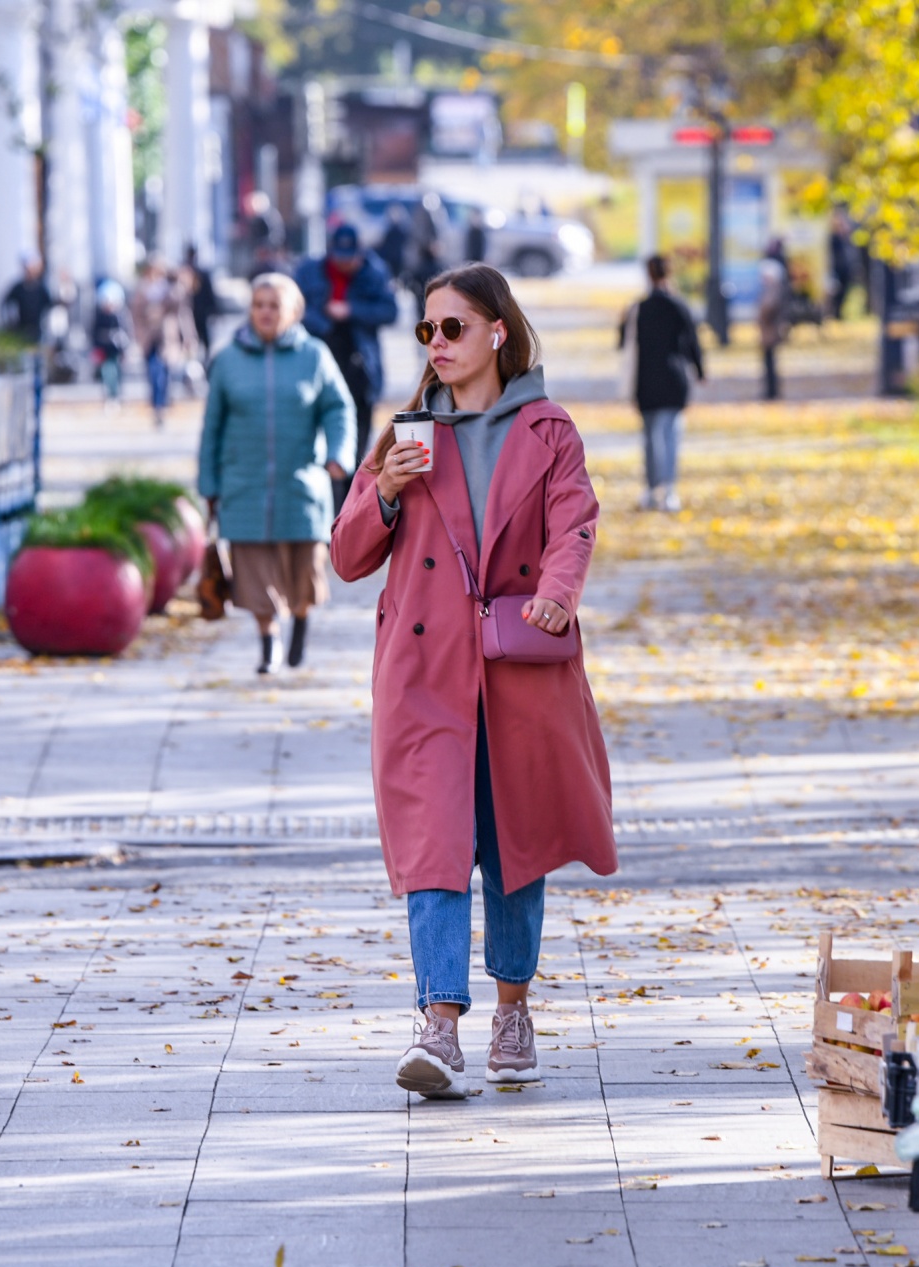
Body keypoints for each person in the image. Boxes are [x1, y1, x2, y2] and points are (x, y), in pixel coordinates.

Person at [330, 263, 618, 1098]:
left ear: (498, 330)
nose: (437, 345)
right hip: (425, 672)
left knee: (516, 846)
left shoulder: (548, 429)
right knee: (434, 847)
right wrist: (383, 490)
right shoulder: (409, 432)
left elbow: (576, 520)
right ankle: (440, 1026)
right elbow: (348, 558)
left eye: (452, 327)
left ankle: (514, 1008)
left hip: (518, 662)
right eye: (427, 330)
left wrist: (559, 597)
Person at [197, 274, 356, 674]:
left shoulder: (314, 356)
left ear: (294, 312)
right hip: (243, 482)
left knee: (304, 569)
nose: (265, 313)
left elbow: (339, 408)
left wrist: (339, 453)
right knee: (252, 569)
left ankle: (300, 618)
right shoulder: (228, 359)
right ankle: (268, 639)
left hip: (300, 483)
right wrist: (209, 484)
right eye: (258, 304)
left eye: (274, 305)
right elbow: (212, 425)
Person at [296, 225, 398, 501]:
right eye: (339, 257)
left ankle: (351, 506)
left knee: (357, 447)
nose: (344, 263)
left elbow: (390, 311)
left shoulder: (375, 273)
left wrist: (351, 311)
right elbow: (296, 309)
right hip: (319, 365)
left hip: (360, 368)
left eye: (350, 257)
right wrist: (326, 321)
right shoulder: (309, 271)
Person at [618, 254, 706, 512]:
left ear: (648, 274)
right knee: (670, 435)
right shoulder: (679, 305)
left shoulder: (638, 308)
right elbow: (692, 342)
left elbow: (623, 342)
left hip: (644, 380)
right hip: (673, 378)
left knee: (649, 437)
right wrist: (700, 371)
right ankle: (669, 490)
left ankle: (650, 489)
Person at [130, 257, 197, 428]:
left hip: (167, 338)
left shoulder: (170, 290)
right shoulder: (141, 290)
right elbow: (135, 315)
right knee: (153, 373)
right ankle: (157, 406)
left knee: (165, 373)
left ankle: (162, 405)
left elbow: (183, 313)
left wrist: (189, 336)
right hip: (148, 338)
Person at [757, 239, 791, 401]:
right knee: (768, 362)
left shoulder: (773, 290)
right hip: (769, 330)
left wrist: (762, 316)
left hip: (770, 330)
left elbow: (768, 309)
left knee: (770, 362)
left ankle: (771, 392)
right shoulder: (774, 288)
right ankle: (771, 391)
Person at [89, 280, 131, 409]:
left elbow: (126, 333)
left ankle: (117, 396)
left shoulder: (120, 316)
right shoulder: (99, 316)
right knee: (107, 373)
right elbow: (93, 333)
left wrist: (125, 349)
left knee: (117, 373)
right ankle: (110, 396)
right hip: (104, 350)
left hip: (117, 350)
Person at [0, 254, 53, 344]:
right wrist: (9, 321)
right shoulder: (18, 288)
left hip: (37, 330)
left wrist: (46, 323)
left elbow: (49, 306)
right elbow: (5, 303)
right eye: (27, 270)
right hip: (21, 330)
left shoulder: (41, 289)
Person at [182, 244, 221, 369]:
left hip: (190, 312)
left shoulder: (185, 270)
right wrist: (213, 309)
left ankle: (193, 366)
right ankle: (202, 365)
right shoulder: (199, 271)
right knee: (202, 340)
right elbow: (210, 292)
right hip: (199, 312)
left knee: (194, 340)